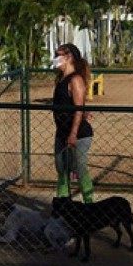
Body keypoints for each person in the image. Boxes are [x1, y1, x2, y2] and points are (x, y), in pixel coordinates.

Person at [52, 43, 94, 203]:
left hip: (79, 134)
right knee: (62, 169)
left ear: (68, 57)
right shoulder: (61, 79)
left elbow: (78, 108)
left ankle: (89, 204)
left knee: (79, 169)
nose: (55, 59)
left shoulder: (75, 79)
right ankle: (63, 205)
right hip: (62, 132)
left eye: (58, 55)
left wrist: (73, 134)